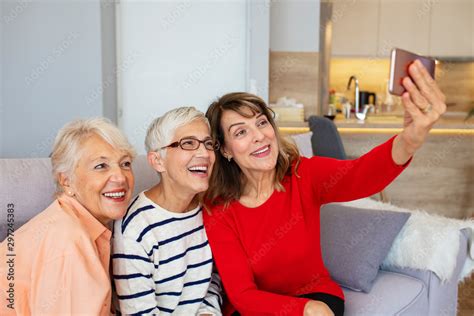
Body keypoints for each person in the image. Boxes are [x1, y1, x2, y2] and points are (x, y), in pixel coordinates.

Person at [203, 60, 447, 316]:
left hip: (316, 296)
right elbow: (243, 295)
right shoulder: (218, 210)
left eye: (261, 123)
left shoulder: (302, 174)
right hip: (259, 308)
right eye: (241, 132)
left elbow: (363, 175)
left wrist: (409, 140)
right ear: (226, 150)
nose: (259, 136)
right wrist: (303, 310)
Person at [0, 118, 136, 315]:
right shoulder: (68, 241)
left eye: (125, 163)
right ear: (67, 181)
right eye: (101, 166)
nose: (120, 177)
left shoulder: (78, 222)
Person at [112, 107, 223, 315]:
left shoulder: (209, 210)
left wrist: (208, 312)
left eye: (208, 144)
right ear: (157, 161)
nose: (204, 154)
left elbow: (211, 281)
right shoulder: (135, 229)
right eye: (188, 143)